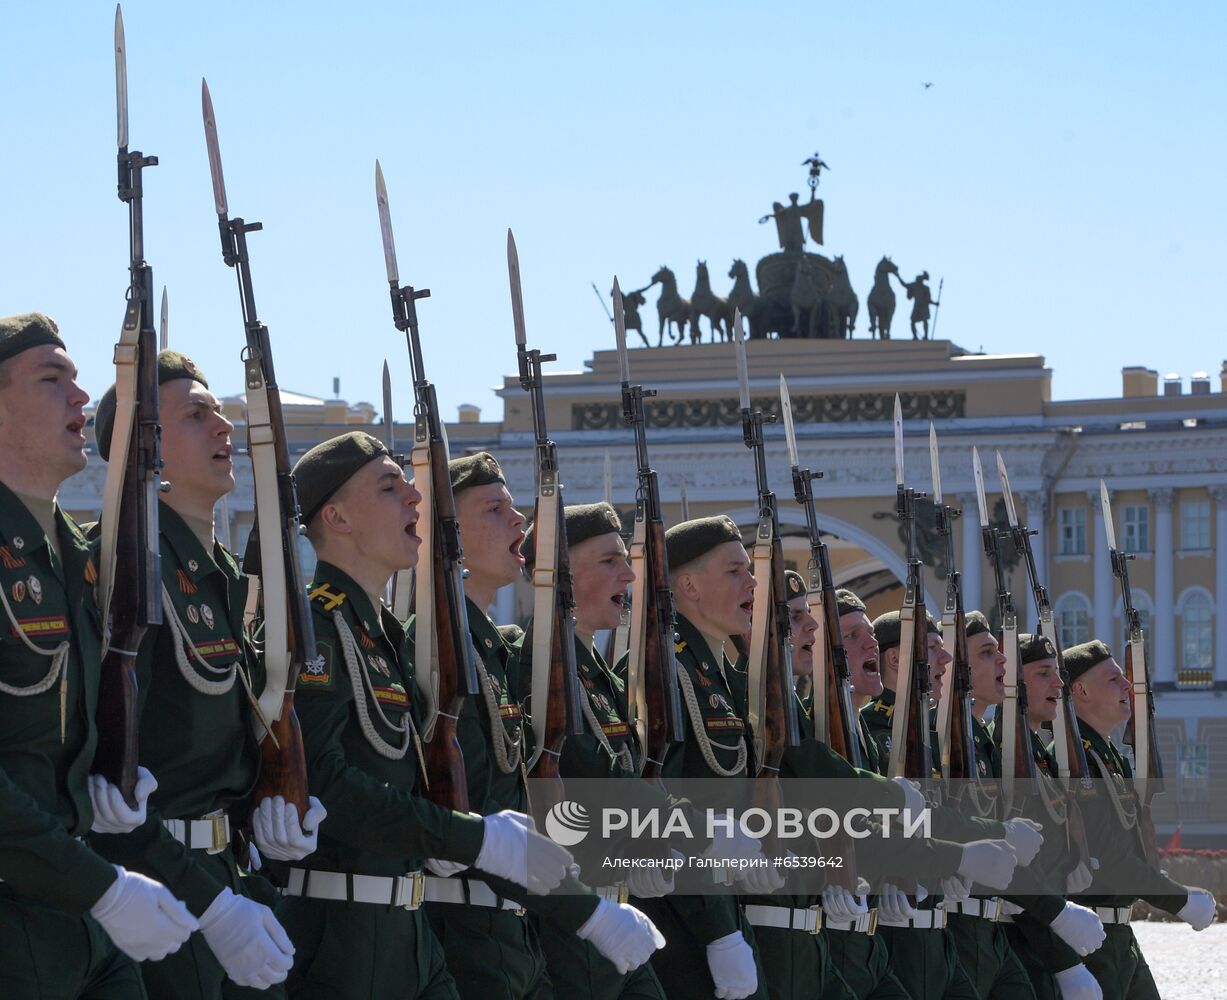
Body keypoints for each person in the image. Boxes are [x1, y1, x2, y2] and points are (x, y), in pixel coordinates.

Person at [277, 432, 576, 998]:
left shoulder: (389, 641)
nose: (417, 499)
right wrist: (470, 839)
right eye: (391, 487)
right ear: (336, 517)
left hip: (414, 938)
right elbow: (326, 783)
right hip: (346, 939)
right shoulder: (316, 628)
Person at [92, 349, 315, 998]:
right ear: (145, 446)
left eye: (221, 413)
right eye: (197, 415)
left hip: (229, 877)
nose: (225, 428)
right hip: (157, 888)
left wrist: (275, 805)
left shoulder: (220, 575)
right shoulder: (127, 567)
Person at [0, 312, 197, 997]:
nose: (83, 400)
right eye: (53, 380)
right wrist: (103, 890)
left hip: (87, 911)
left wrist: (114, 777)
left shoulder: (82, 563)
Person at [428, 453, 662, 1000]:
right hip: (499, 927)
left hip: (536, 923)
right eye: (496, 509)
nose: (521, 524)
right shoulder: (499, 655)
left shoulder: (495, 651)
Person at [519, 501, 670, 1000]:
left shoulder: (594, 672)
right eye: (609, 561)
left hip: (619, 912)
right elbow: (592, 774)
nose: (628, 574)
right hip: (574, 926)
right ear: (559, 575)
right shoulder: (537, 662)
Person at [861, 607, 1035, 1000]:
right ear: (897, 659)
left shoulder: (931, 734)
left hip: (942, 932)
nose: (945, 660)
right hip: (899, 933)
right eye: (934, 649)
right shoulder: (874, 729)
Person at [1063, 639, 1217, 1000]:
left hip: (1120, 935)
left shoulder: (1109, 756)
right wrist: (1179, 900)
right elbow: (1110, 859)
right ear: (1081, 690)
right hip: (1091, 938)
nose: (1128, 687)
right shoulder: (1076, 762)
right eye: (1114, 679)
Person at [897, 272, 938, 340]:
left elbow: (928, 299)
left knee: (924, 321)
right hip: (917, 306)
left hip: (923, 306)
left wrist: (935, 303)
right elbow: (904, 284)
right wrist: (898, 276)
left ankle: (925, 336)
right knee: (913, 321)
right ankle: (915, 336)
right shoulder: (914, 286)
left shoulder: (925, 288)